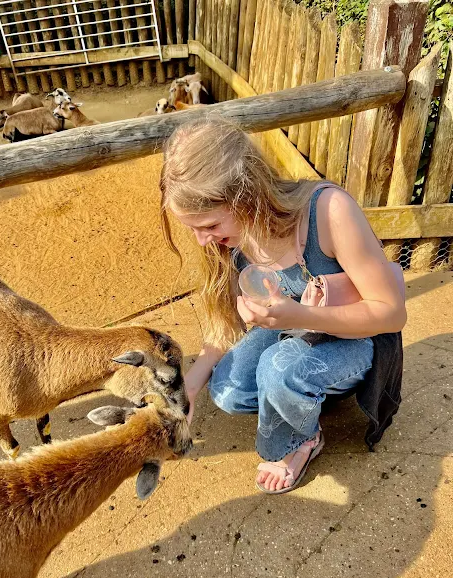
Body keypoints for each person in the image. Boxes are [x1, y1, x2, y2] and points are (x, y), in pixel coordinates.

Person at [159, 118, 406, 495]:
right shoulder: (229, 240)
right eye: (192, 228)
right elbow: (223, 324)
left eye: (207, 225)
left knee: (278, 371)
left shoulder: (328, 210)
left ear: (245, 195)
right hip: (293, 329)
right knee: (225, 389)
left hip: (360, 336)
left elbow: (391, 314)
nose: (202, 241)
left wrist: (299, 315)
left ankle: (303, 439)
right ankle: (302, 392)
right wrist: (188, 388)